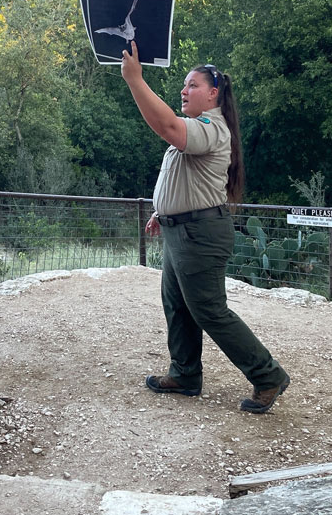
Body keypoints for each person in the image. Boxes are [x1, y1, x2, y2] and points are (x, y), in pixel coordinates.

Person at [121, 42, 289, 414]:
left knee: (210, 310)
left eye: (192, 85)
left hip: (200, 234)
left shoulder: (213, 127)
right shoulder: (199, 128)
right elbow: (183, 179)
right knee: (177, 305)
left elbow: (166, 126)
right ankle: (184, 374)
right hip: (182, 229)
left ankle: (268, 375)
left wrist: (135, 80)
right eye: (184, 85)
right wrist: (161, 212)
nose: (184, 90)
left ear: (213, 93)